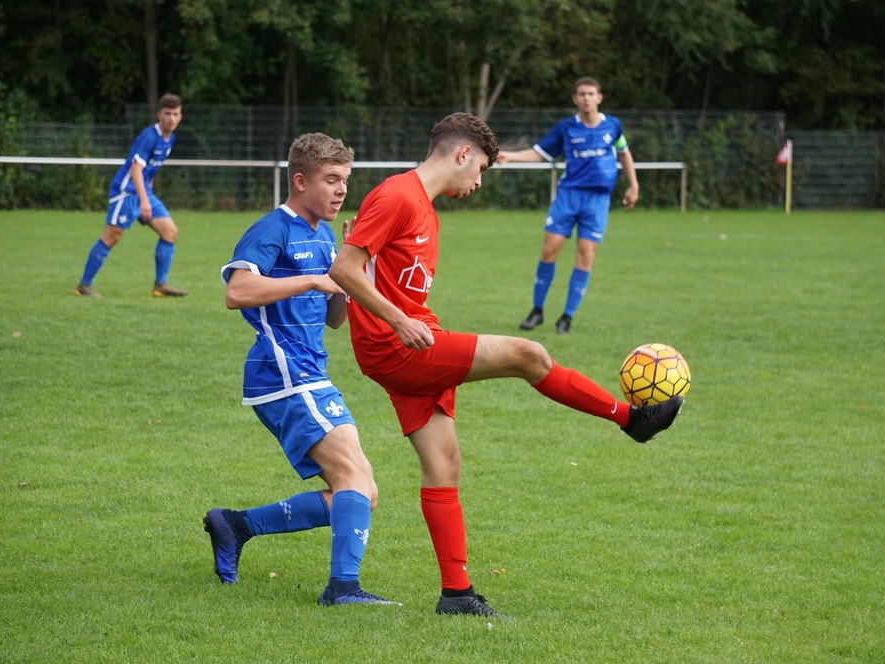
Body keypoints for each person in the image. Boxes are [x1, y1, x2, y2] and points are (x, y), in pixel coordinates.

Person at [329, 112, 681, 618]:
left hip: (407, 344)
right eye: (482, 171)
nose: (478, 183)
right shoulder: (398, 195)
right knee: (528, 354)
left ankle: (457, 595)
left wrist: (395, 307)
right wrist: (398, 319)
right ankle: (632, 420)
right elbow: (345, 267)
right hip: (402, 346)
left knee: (444, 465)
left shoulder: (424, 209)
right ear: (462, 154)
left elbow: (364, 268)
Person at [203, 133, 395, 607]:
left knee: (361, 493)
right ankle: (343, 589)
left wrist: (349, 279)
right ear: (301, 180)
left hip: (309, 371)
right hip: (284, 374)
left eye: (345, 180)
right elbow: (237, 293)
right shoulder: (274, 229)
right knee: (353, 480)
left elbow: (332, 318)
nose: (341, 190)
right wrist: (311, 277)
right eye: (331, 179)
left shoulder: (324, 234)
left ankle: (237, 524)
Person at [497, 77, 639, 334]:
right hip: (568, 196)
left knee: (586, 254)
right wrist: (510, 156)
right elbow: (540, 153)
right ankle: (537, 311)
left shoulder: (613, 127)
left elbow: (624, 152)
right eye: (582, 94)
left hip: (597, 200)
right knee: (550, 250)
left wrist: (634, 184)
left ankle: (567, 317)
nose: (587, 98)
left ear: (599, 97)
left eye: (591, 93)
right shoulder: (565, 128)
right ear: (575, 99)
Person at [74, 93, 188, 298]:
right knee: (111, 237)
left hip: (144, 192)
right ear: (159, 115)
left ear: (180, 116)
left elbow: (150, 169)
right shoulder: (149, 136)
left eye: (175, 114)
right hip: (126, 193)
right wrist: (144, 201)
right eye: (167, 113)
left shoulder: (170, 138)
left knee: (170, 232)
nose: (171, 118)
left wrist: (148, 191)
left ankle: (160, 284)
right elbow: (136, 169)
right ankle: (84, 285)